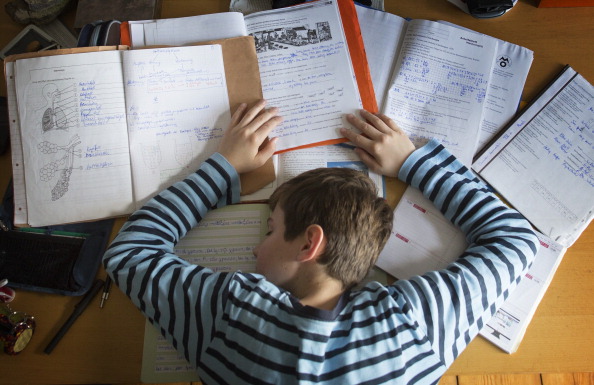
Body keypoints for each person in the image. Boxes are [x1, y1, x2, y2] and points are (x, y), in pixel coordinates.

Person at [103, 99, 539, 384]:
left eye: (270, 229)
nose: (257, 247)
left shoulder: (234, 315)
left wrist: (222, 167)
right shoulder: (411, 327)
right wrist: (412, 162)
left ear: (308, 244)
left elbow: (128, 253)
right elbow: (516, 240)